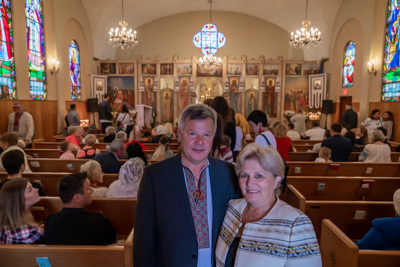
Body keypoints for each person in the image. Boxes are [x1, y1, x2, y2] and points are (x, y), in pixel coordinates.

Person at [133, 104, 240, 266]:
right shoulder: (155, 177)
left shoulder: (228, 173)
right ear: (179, 135)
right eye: (192, 133)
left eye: (206, 134)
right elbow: (143, 242)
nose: (200, 141)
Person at [215, 144, 321, 266]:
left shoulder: (296, 225)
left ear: (277, 180)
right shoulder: (231, 208)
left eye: (259, 176)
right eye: (244, 175)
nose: (250, 183)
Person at [44, 172, 116, 245]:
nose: (92, 190)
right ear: (77, 198)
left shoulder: (50, 222)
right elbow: (112, 239)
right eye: (88, 188)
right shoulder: (99, 220)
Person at [0, 179, 43, 244]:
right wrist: (42, 230)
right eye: (30, 190)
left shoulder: (5, 228)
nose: (37, 189)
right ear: (18, 200)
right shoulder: (33, 233)